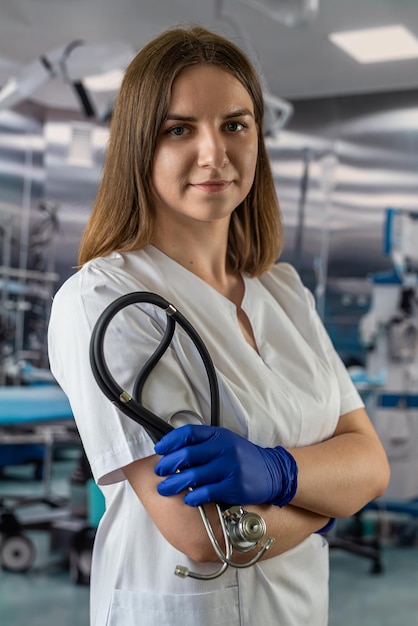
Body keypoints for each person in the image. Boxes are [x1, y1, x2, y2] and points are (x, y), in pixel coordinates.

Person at [48, 25, 390, 626]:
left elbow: (372, 464)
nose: (215, 154)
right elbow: (202, 534)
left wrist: (279, 475)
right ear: (139, 147)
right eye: (179, 129)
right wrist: (325, 499)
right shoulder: (105, 298)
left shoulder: (282, 291)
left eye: (235, 124)